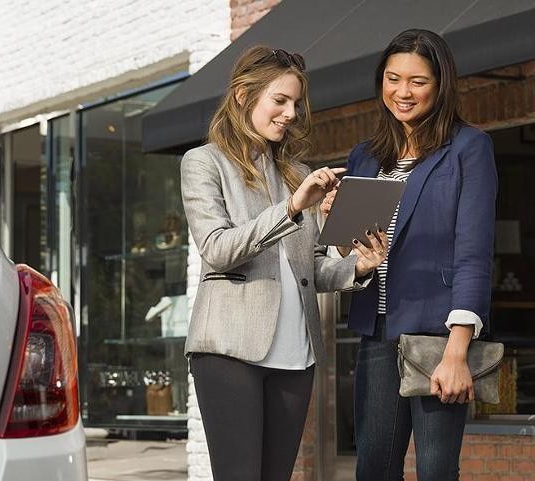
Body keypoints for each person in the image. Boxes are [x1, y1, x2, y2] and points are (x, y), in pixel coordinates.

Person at [180, 45, 388, 481]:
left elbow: (310, 268)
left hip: (297, 353)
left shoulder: (296, 172)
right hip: (228, 350)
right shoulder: (204, 163)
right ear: (242, 96)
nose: (291, 113)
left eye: (296, 103)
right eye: (280, 100)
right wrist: (292, 209)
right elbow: (217, 248)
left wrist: (358, 267)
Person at [322, 29, 497, 481]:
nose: (403, 92)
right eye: (393, 78)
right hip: (376, 332)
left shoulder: (467, 148)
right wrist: (335, 224)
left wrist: (458, 351)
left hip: (438, 337)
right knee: (373, 469)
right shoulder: (365, 156)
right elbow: (350, 253)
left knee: (437, 470)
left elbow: (474, 253)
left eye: (418, 81)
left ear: (440, 85)